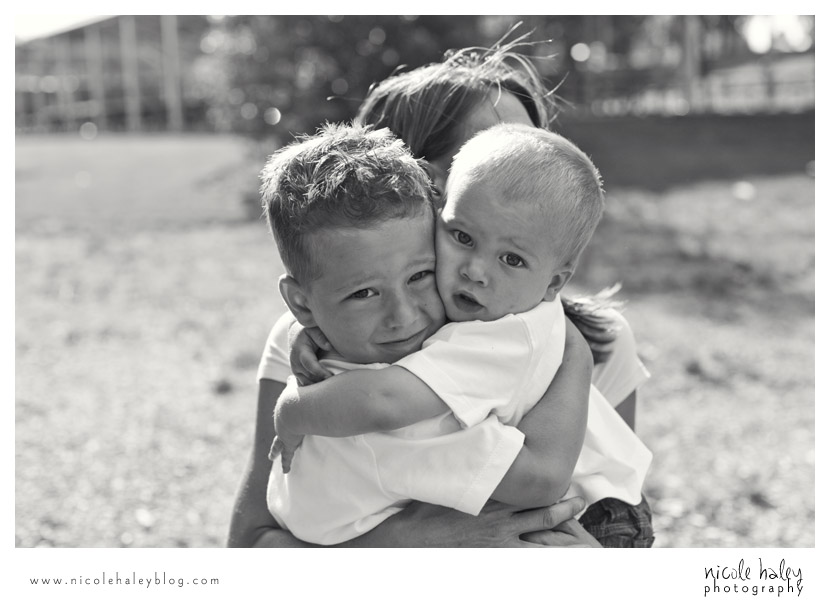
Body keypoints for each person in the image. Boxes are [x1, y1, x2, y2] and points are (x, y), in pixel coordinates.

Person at [228, 41, 648, 548]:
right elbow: (252, 546)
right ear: (412, 188)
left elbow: (608, 508)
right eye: (483, 160)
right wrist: (410, 542)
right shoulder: (317, 344)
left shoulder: (596, 342)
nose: (516, 180)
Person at [261, 122, 598, 545]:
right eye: (462, 237)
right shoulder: (496, 305)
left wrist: (293, 409)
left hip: (594, 510)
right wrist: (308, 330)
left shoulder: (405, 412)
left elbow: (385, 401)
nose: (403, 317)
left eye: (419, 275)